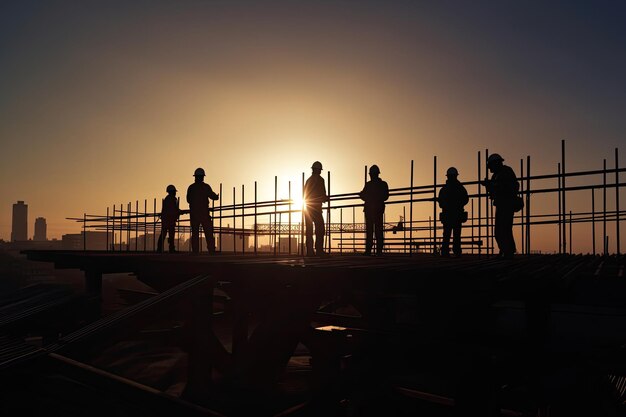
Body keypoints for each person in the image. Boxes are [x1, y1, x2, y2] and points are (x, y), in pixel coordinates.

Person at [481, 154, 519, 259]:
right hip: (501, 204)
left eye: (490, 166)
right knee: (500, 230)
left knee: (504, 228)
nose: (490, 168)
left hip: (507, 204)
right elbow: (494, 190)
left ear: (496, 163)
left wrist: (491, 185)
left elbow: (507, 187)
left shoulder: (506, 172)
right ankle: (505, 250)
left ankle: (508, 251)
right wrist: (489, 185)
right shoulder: (496, 175)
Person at [187, 167, 219, 253]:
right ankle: (211, 250)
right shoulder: (205, 187)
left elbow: (188, 200)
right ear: (202, 177)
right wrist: (216, 196)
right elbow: (213, 196)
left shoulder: (191, 187)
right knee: (208, 232)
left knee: (195, 233)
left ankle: (195, 251)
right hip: (204, 213)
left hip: (194, 214)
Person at [438, 167, 469, 257]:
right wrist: (458, 204)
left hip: (448, 214)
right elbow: (465, 199)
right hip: (456, 214)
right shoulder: (460, 188)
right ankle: (456, 251)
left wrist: (447, 205)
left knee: (447, 234)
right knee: (456, 234)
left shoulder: (444, 189)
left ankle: (445, 252)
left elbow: (440, 202)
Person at [359, 165, 389, 255]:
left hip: (371, 209)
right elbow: (386, 196)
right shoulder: (382, 184)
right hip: (376, 209)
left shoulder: (370, 185)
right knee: (377, 230)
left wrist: (367, 196)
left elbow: (363, 196)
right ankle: (377, 250)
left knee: (371, 230)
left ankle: (370, 250)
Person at [303, 161, 329, 256]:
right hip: (316, 209)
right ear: (318, 170)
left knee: (309, 230)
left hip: (308, 208)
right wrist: (325, 198)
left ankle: (310, 251)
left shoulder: (308, 180)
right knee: (320, 229)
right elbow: (323, 195)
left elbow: (304, 194)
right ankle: (319, 250)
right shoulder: (320, 180)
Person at [157, 184, 180, 253]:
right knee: (170, 234)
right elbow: (173, 209)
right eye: (174, 192)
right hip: (169, 219)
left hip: (167, 219)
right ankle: (171, 249)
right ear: (172, 192)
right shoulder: (171, 199)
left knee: (164, 234)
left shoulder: (168, 199)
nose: (175, 193)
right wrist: (178, 211)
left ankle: (160, 248)